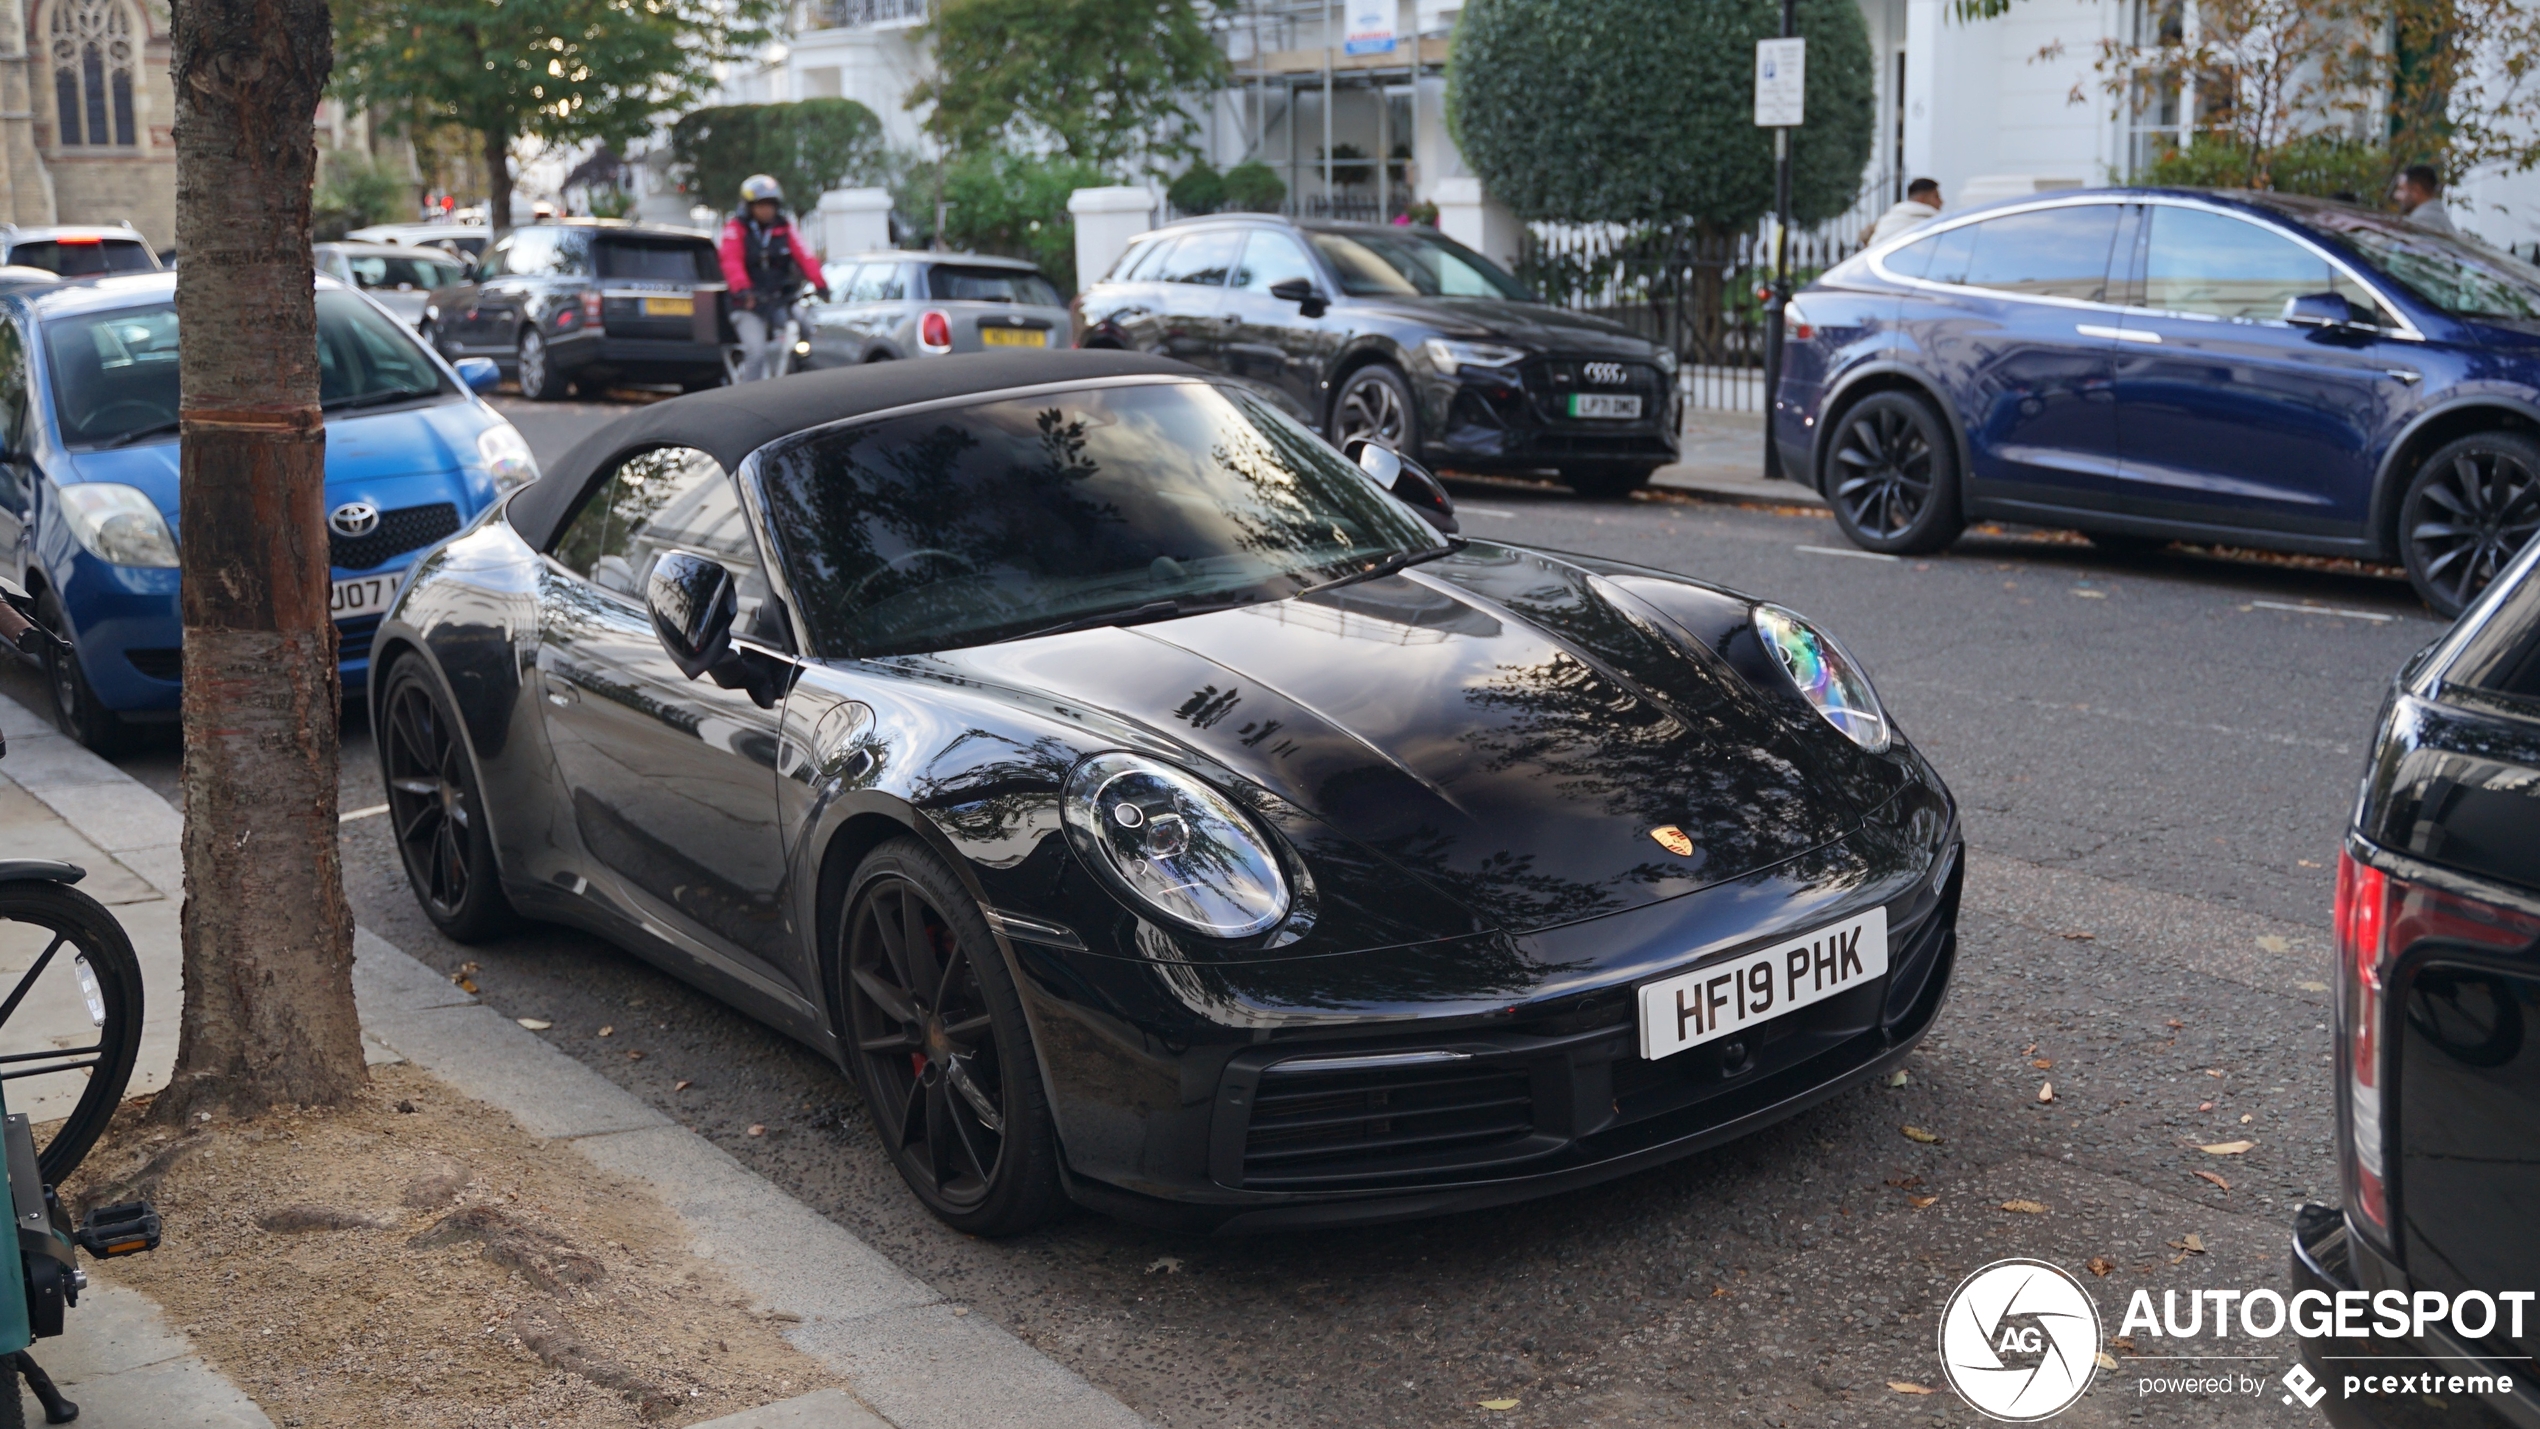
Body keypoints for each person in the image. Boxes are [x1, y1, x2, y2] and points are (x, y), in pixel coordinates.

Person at [717, 175, 831, 384]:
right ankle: (748, 397)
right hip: (748, 304)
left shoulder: (784, 227)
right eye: (761, 205)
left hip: (778, 300)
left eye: (771, 205)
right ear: (749, 206)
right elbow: (731, 262)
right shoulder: (735, 229)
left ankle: (799, 366)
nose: (767, 210)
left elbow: (804, 255)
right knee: (756, 352)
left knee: (804, 326)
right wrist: (743, 290)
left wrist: (820, 283)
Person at [1863, 178, 1943, 245]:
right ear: (1921, 199)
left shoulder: (1890, 219)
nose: (1941, 202)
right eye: (1936, 197)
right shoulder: (1924, 222)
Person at [2394, 165, 2455, 236]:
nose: (2396, 195)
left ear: (2416, 190)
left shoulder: (2422, 221)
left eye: (2401, 189)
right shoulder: (2438, 218)